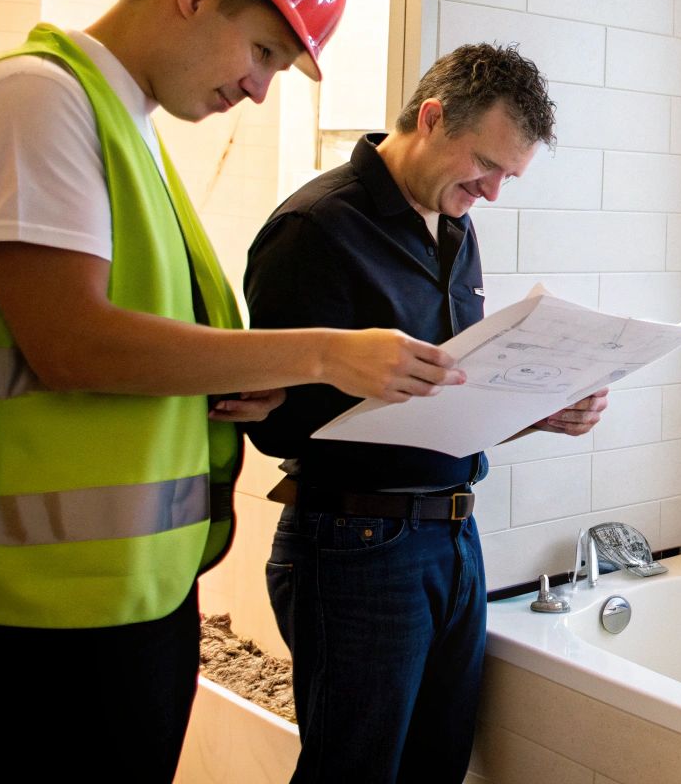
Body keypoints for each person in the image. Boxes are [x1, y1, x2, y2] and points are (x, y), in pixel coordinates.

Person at [0, 0, 466, 784]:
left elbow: (118, 340)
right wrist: (323, 351)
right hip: (41, 606)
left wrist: (226, 385)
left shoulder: (126, 128)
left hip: (121, 588)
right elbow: (75, 346)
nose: (258, 87)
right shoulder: (32, 101)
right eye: (263, 53)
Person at [244, 41, 609, 783]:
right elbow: (270, 422)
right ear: (434, 118)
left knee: (437, 769)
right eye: (487, 165)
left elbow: (449, 392)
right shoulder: (315, 228)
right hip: (355, 541)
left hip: (451, 536)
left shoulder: (453, 226)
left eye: (510, 176)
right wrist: (348, 374)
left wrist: (535, 410)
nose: (495, 193)